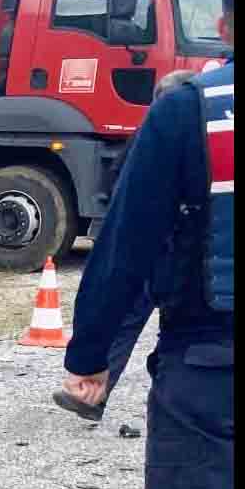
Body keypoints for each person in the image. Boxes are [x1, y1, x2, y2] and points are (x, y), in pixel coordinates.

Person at [60, 0, 233, 489]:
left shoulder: (188, 111)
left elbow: (125, 245)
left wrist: (90, 355)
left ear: (223, 28)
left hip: (209, 369)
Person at [50, 68, 197, 422]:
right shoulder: (178, 133)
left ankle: (94, 392)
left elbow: (123, 186)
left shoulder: (158, 134)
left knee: (133, 321)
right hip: (170, 255)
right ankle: (96, 393)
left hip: (155, 251)